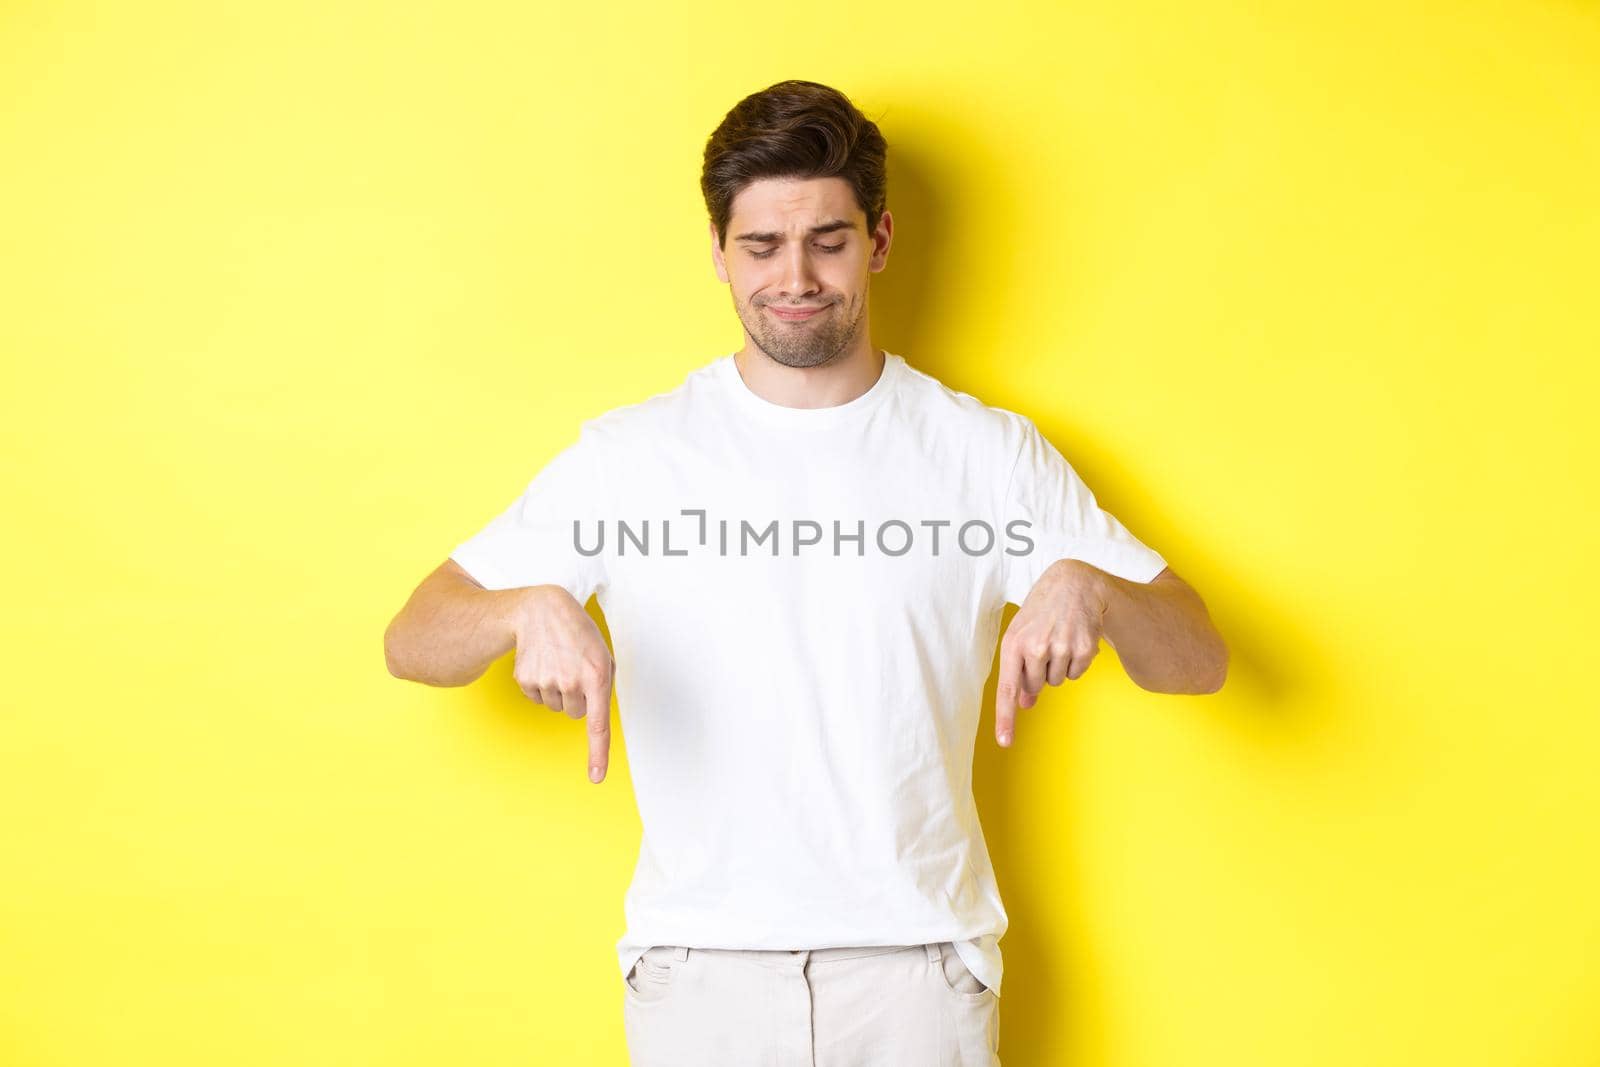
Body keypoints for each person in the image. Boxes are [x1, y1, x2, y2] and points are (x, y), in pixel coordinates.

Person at [384, 78, 1229, 1067]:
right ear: (716, 252)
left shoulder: (983, 452)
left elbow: (1198, 657)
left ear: (878, 240)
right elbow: (415, 637)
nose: (796, 275)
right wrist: (521, 609)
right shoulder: (630, 457)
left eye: (827, 240)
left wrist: (1092, 583)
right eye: (761, 245)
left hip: (917, 970)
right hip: (698, 971)